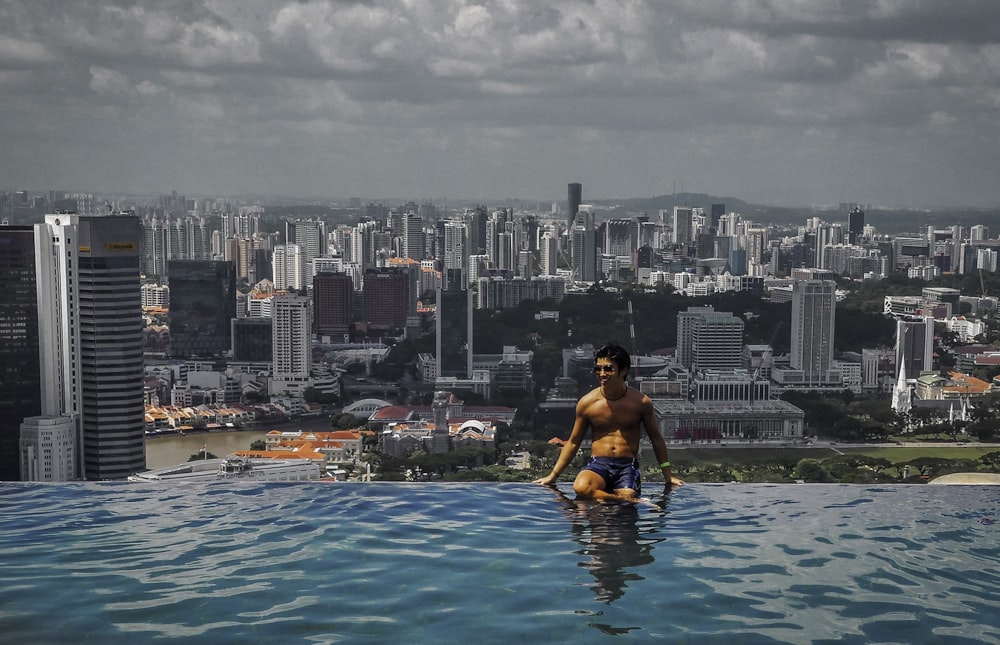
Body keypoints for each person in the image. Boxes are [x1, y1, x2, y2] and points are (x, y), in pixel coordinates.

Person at [534, 343, 683, 502]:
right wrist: (553, 475)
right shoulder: (587, 403)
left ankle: (625, 499)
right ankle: (628, 500)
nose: (602, 374)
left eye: (609, 369)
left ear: (623, 370)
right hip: (598, 463)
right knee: (581, 487)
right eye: (598, 369)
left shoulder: (640, 402)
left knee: (627, 495)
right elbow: (573, 442)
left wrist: (668, 476)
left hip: (627, 465)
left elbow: (656, 439)